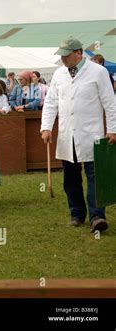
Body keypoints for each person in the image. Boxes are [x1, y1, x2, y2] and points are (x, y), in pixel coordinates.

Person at [41, 37, 116, 233]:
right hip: (68, 135)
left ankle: (97, 216)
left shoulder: (98, 72)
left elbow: (110, 103)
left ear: (79, 53)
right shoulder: (59, 74)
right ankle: (76, 213)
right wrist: (46, 127)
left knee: (94, 177)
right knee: (71, 179)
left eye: (66, 55)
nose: (63, 59)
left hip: (92, 134)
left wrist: (112, 129)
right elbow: (50, 103)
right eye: (62, 56)